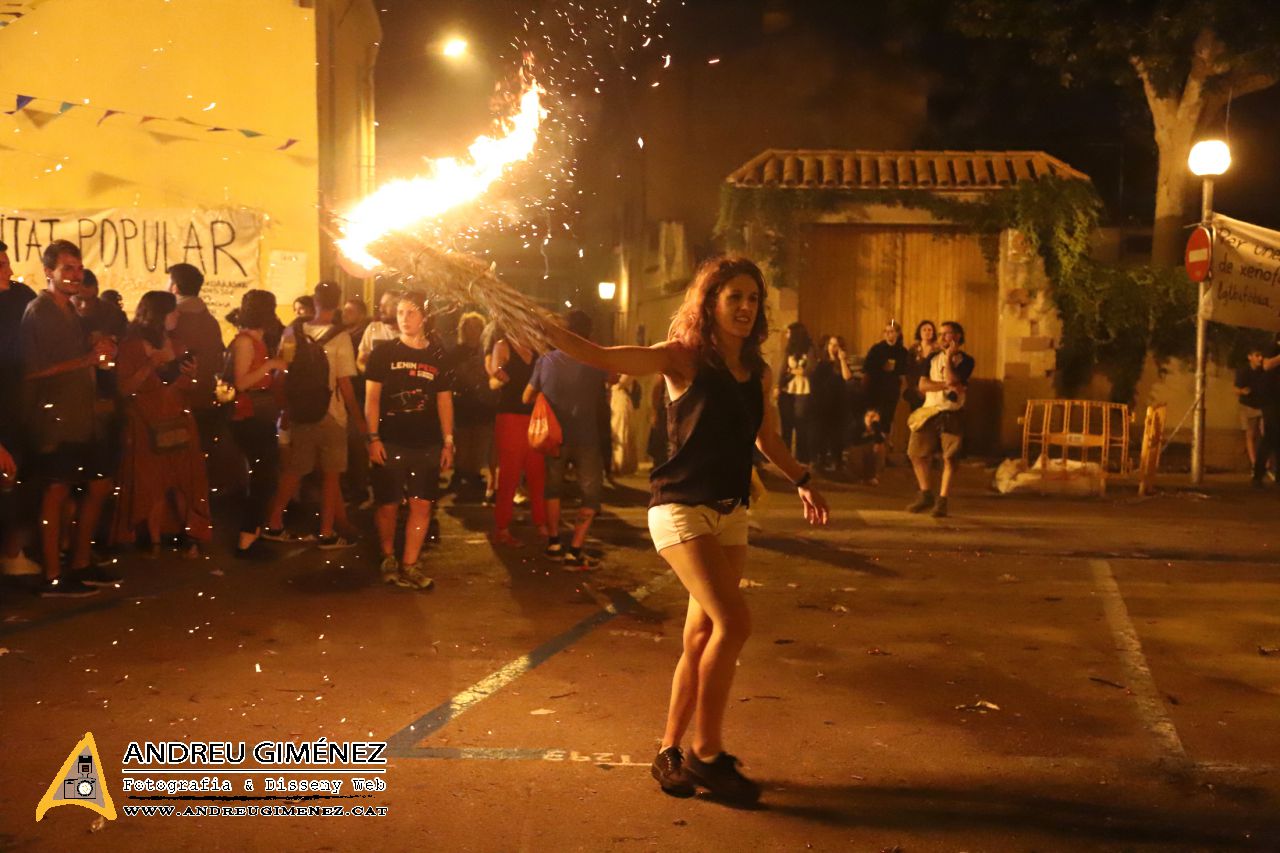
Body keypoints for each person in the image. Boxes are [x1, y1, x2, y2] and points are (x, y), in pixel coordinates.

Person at [537, 255, 828, 804]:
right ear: (710, 302)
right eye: (734, 297)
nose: (745, 307)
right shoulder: (683, 358)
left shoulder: (758, 371)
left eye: (752, 298)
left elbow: (767, 440)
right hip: (679, 509)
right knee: (734, 622)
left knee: (701, 635)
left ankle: (670, 752)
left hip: (730, 512)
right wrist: (543, 327)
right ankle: (708, 754)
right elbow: (600, 355)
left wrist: (803, 478)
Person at [20, 240, 121, 596]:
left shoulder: (73, 312)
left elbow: (87, 359)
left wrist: (100, 350)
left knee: (98, 485)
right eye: (67, 269)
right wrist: (87, 360)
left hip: (84, 416)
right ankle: (52, 574)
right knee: (57, 489)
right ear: (48, 272)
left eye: (78, 269)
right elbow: (32, 371)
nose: (75, 276)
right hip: (54, 418)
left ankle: (80, 560)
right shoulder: (39, 311)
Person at [111, 291, 212, 557]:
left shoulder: (177, 342)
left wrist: (190, 375)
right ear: (159, 315)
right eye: (172, 311)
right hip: (145, 423)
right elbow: (124, 389)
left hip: (178, 419)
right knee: (151, 483)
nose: (177, 315)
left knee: (184, 480)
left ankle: (188, 533)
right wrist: (149, 365)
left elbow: (188, 387)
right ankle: (153, 538)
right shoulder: (131, 345)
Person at [263, 281, 363, 548]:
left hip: (300, 413)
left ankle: (273, 524)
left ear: (315, 301)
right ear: (338, 304)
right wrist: (359, 420)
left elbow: (280, 373)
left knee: (293, 471)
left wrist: (284, 409)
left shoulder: (292, 331)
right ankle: (326, 532)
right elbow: (345, 384)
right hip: (332, 415)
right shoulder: (341, 337)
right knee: (331, 476)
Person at [364, 291, 454, 589]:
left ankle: (410, 564)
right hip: (390, 441)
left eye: (411, 312)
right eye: (401, 312)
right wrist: (373, 437)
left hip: (427, 444)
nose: (404, 318)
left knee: (422, 505)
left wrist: (448, 441)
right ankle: (388, 555)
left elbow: (444, 401)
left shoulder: (438, 355)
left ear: (425, 317)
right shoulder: (383, 353)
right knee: (388, 504)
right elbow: (372, 399)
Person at [524, 310, 609, 569]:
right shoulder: (596, 362)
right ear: (588, 334)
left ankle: (553, 543)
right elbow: (614, 380)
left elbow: (526, 397)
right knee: (590, 494)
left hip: (555, 438)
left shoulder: (546, 360)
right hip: (587, 437)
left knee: (553, 489)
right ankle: (575, 548)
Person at [225, 290, 287, 557]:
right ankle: (247, 537)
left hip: (261, 413)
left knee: (266, 475)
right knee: (262, 476)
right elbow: (241, 382)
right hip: (249, 413)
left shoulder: (257, 339)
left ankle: (254, 532)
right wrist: (271, 364)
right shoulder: (245, 341)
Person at [906, 321, 975, 518]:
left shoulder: (966, 360)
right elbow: (923, 385)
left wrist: (949, 358)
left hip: (952, 412)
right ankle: (925, 493)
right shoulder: (931, 358)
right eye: (941, 334)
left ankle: (942, 499)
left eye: (948, 334)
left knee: (949, 457)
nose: (943, 337)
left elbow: (954, 379)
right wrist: (946, 386)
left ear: (958, 337)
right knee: (916, 453)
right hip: (930, 410)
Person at [0, 240, 38, 575]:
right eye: (1, 265)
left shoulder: (21, 295)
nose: (9, 271)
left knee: (17, 486)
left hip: (18, 409)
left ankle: (13, 553)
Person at [167, 263, 225, 457]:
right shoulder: (210, 321)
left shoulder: (173, 320)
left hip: (177, 400)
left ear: (174, 286)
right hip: (205, 396)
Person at [449, 311, 496, 501]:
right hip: (462, 402)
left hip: (483, 403)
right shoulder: (456, 352)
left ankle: (473, 474)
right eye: (469, 327)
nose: (473, 331)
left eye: (477, 327)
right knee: (462, 442)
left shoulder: (487, 351)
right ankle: (461, 473)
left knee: (479, 442)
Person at [811, 334, 852, 473]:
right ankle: (821, 460)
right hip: (823, 403)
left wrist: (842, 360)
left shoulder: (842, 363)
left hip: (839, 403)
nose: (832, 348)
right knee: (822, 433)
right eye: (831, 344)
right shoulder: (821, 363)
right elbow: (815, 383)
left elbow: (847, 377)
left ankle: (837, 461)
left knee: (837, 434)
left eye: (836, 345)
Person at [777, 321, 815, 463]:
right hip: (788, 389)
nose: (786, 335)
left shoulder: (809, 348)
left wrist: (794, 370)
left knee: (801, 424)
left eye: (788, 332)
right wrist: (777, 387)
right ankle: (785, 457)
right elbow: (782, 369)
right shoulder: (789, 349)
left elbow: (810, 369)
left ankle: (802, 458)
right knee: (786, 423)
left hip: (803, 390)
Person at [864, 319, 908, 438]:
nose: (889, 334)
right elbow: (867, 367)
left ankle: (884, 450)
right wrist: (881, 367)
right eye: (887, 331)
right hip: (875, 389)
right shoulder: (877, 349)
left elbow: (903, 372)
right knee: (873, 419)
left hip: (892, 390)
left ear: (898, 334)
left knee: (887, 419)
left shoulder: (902, 351)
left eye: (892, 331)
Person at [1252, 335, 1280, 488]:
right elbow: (1267, 365)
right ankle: (1258, 474)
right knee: (1270, 435)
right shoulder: (1273, 347)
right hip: (1271, 399)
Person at [1236, 347, 1267, 473]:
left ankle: (1265, 461)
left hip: (1262, 405)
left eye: (1261, 356)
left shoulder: (1264, 370)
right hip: (1248, 406)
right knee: (1251, 435)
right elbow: (1236, 389)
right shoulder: (1244, 371)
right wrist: (1243, 391)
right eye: (1257, 355)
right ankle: (1255, 463)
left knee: (1266, 432)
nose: (1260, 358)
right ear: (1250, 357)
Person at [358, 290, 400, 373]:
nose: (381, 309)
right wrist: (373, 376)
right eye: (381, 305)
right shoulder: (373, 328)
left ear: (398, 307)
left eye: (386, 306)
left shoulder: (408, 331)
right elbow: (360, 361)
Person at [904, 320, 939, 412]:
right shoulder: (913, 349)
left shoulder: (937, 350)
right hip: (915, 391)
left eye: (930, 330)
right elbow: (908, 370)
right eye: (924, 330)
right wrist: (916, 388)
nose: (927, 332)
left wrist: (928, 388)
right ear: (919, 332)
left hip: (932, 390)